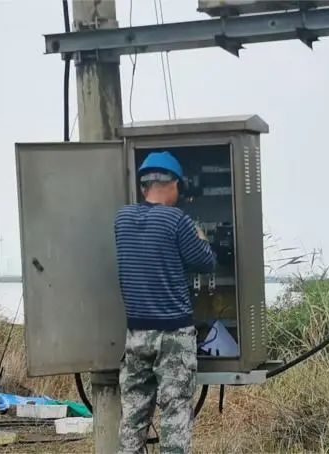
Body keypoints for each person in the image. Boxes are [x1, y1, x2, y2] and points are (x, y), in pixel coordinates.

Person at [115, 151, 215, 454]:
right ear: (174, 184)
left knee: (133, 414)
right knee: (175, 412)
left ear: (143, 185)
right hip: (173, 334)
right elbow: (206, 262)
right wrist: (200, 234)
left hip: (136, 335)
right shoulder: (177, 220)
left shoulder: (122, 219)